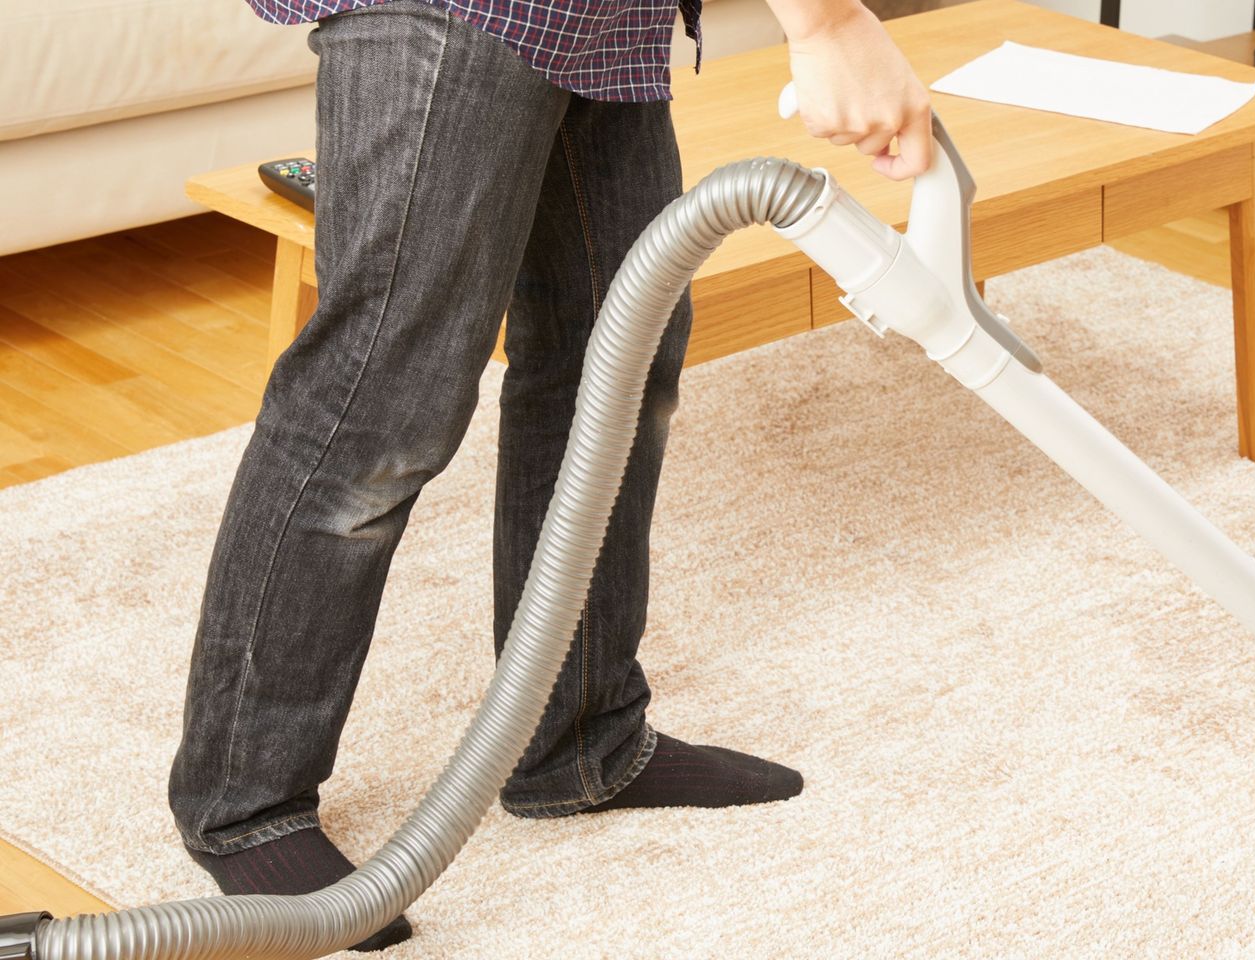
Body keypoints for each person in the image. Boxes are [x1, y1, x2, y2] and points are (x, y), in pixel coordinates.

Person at [169, 0, 933, 949]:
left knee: (616, 355)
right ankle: (243, 801)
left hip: (601, 20)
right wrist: (827, 25)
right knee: (382, 398)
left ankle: (578, 737)